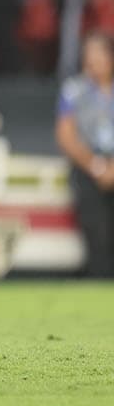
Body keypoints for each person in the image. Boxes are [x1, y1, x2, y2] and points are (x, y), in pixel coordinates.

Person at [55, 34, 114, 278]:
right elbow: (65, 134)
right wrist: (97, 166)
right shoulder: (74, 90)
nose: (93, 60)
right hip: (89, 168)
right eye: (88, 54)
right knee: (97, 235)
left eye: (98, 54)